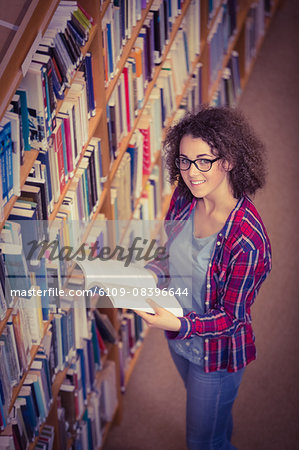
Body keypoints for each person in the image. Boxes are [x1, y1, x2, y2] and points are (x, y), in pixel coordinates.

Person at [135, 106, 272, 450]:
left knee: (201, 442)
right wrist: (149, 275)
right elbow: (170, 258)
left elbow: (232, 317)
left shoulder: (249, 240)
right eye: (183, 160)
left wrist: (180, 324)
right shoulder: (184, 199)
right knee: (212, 424)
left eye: (203, 161)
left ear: (228, 161)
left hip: (216, 353)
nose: (191, 172)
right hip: (178, 337)